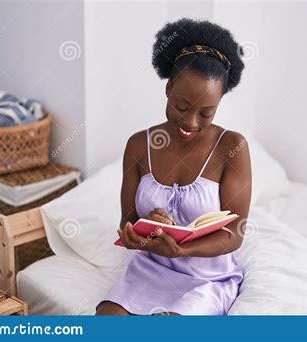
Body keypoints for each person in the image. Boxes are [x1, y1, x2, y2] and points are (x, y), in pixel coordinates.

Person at [96, 18, 252, 315]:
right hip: (149, 270)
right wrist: (145, 227)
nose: (190, 123)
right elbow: (127, 225)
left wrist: (182, 250)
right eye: (181, 106)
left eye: (206, 113)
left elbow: (235, 232)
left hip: (206, 279)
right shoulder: (139, 145)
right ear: (168, 89)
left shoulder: (232, 147)